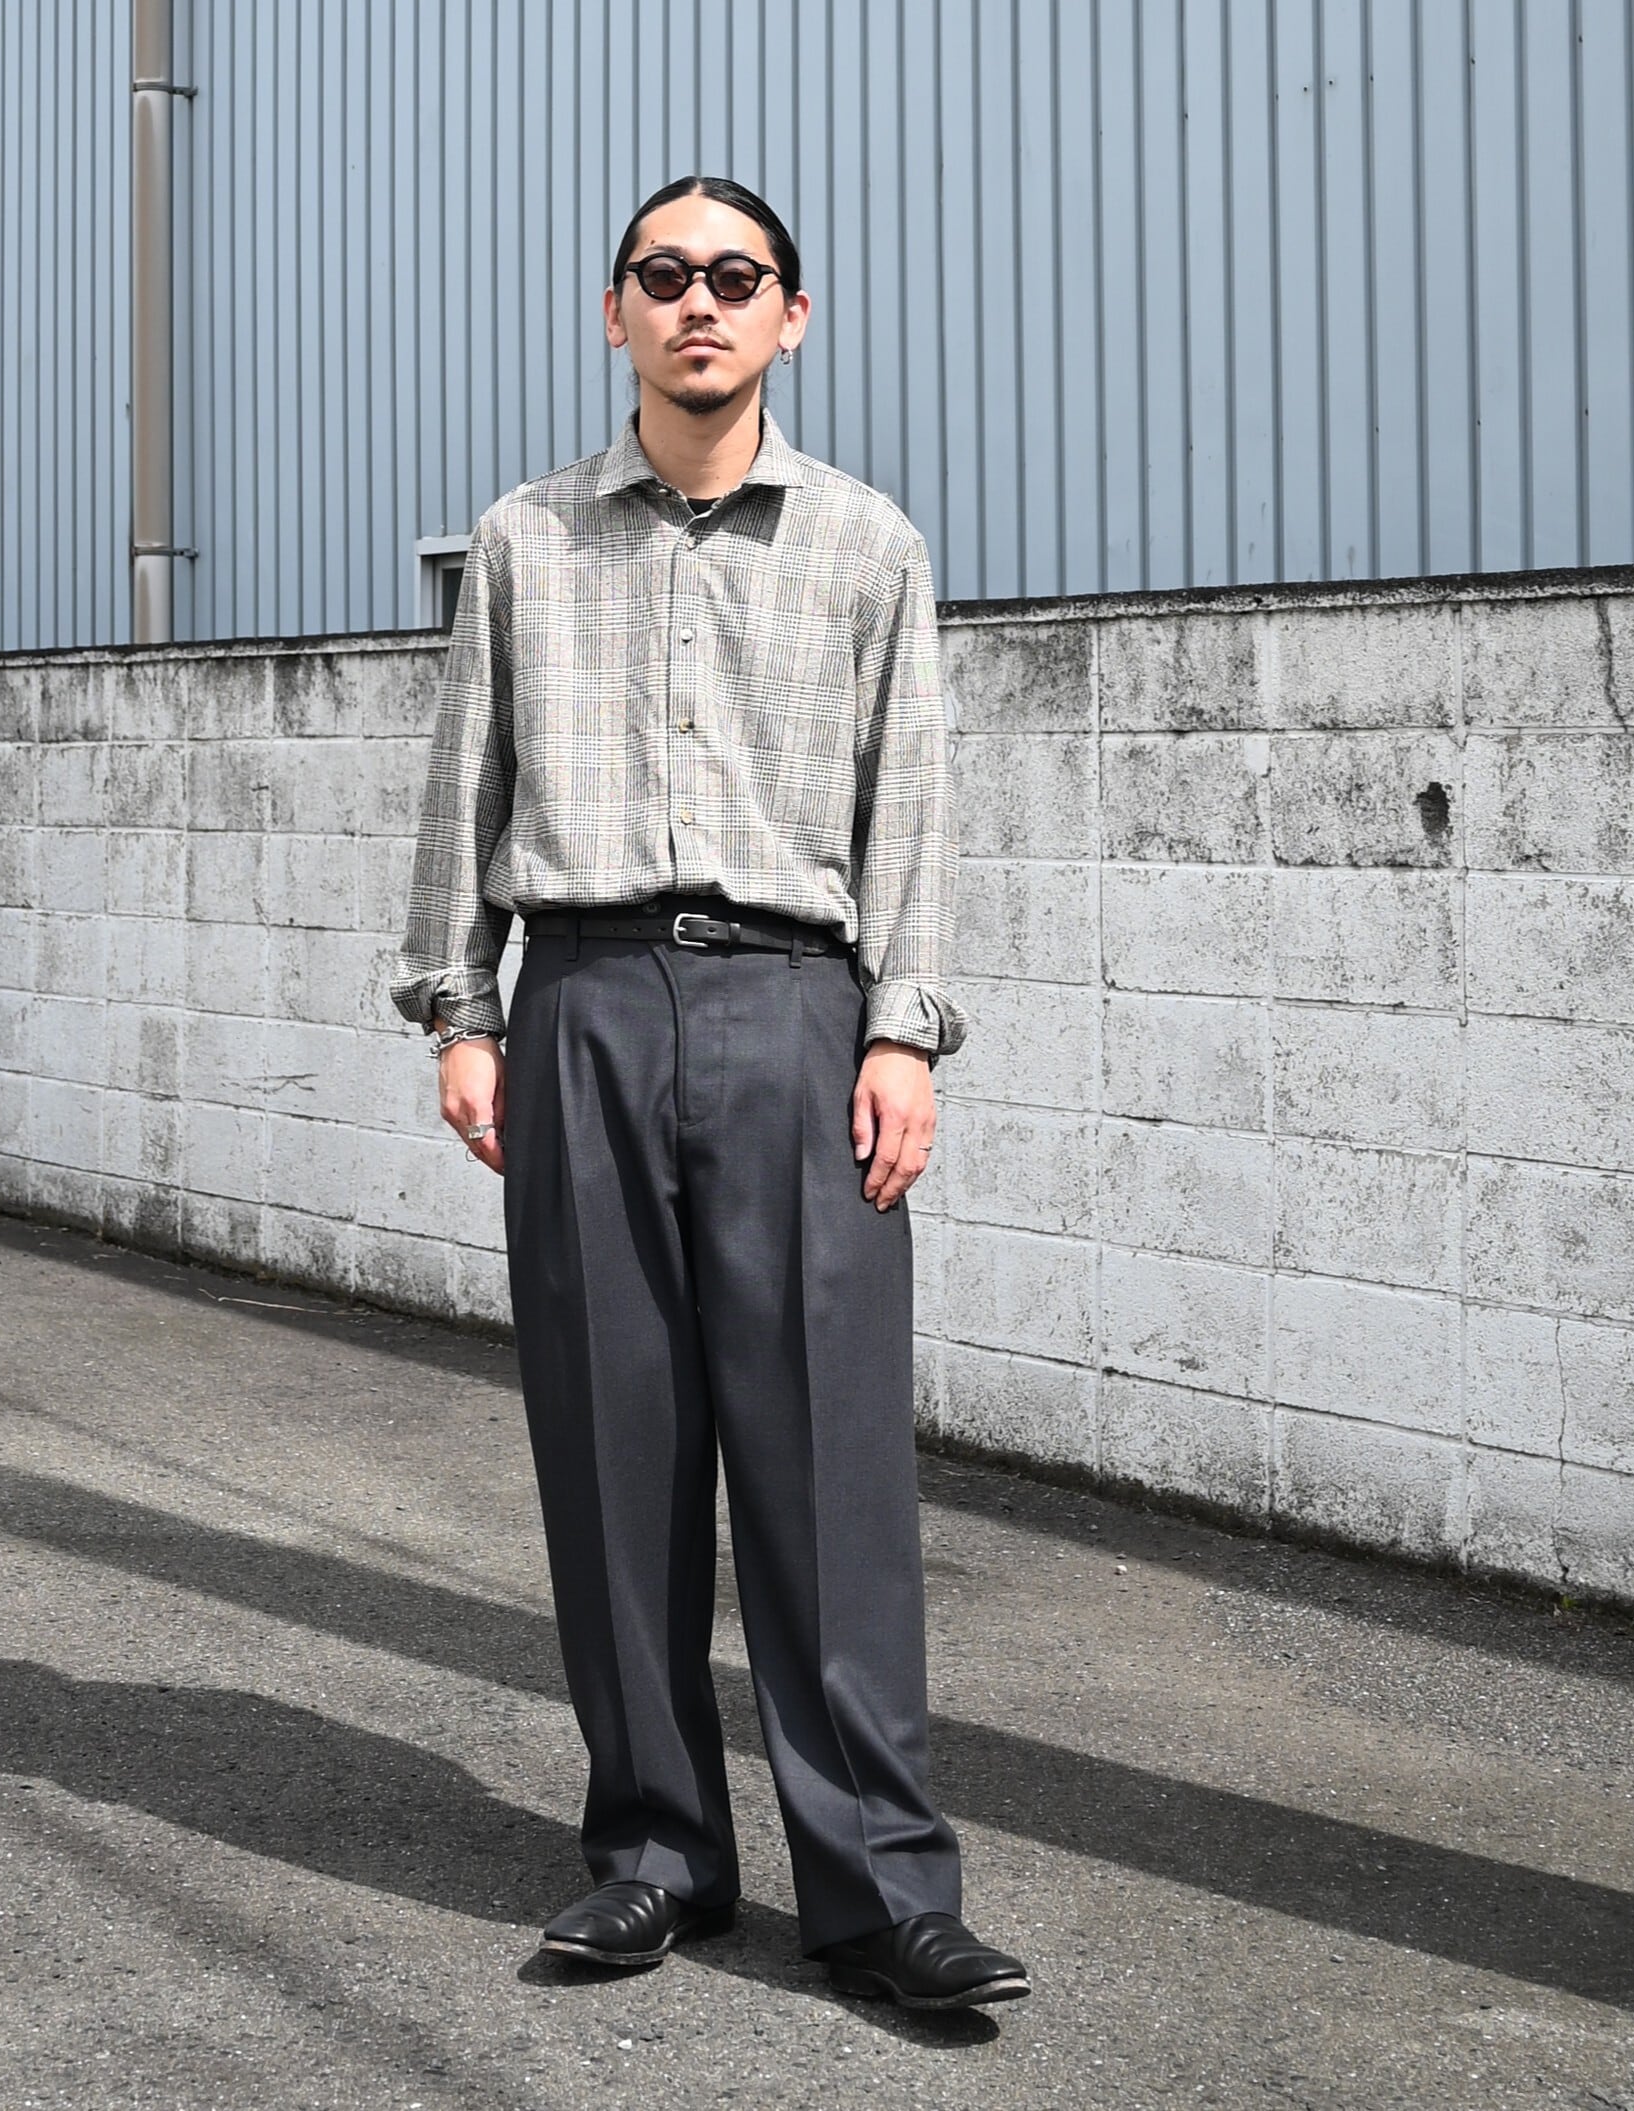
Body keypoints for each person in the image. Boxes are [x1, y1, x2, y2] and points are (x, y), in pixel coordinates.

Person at [391, 174, 1027, 2011]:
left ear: (790, 318)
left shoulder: (866, 546)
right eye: (663, 275)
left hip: (796, 1011)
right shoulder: (525, 541)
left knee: (829, 1462)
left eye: (735, 277)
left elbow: (912, 804)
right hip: (583, 1001)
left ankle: (882, 1889)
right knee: (616, 1454)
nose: (699, 303)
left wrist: (903, 1031)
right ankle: (657, 1854)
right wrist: (463, 1009)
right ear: (615, 312)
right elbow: (465, 785)